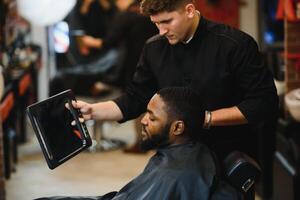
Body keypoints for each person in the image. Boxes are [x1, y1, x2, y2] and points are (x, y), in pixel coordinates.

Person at [36, 87, 242, 200]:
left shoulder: (173, 175)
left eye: (152, 118)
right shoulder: (190, 152)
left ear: (177, 128)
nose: (143, 120)